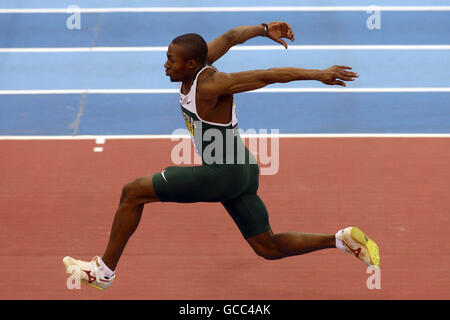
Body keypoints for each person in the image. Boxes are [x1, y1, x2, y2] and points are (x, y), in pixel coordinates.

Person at [63, 22, 380, 290]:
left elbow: (268, 75)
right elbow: (230, 37)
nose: (165, 64)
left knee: (132, 192)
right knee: (267, 247)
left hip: (222, 173)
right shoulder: (196, 67)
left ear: (189, 64)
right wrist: (264, 28)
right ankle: (341, 240)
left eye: (170, 60)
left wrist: (319, 74)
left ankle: (103, 272)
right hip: (242, 169)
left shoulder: (212, 85)